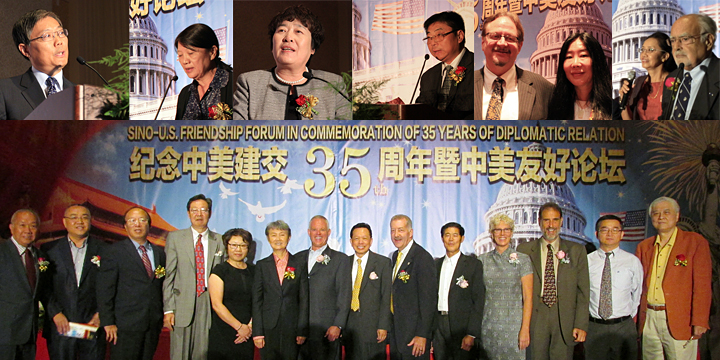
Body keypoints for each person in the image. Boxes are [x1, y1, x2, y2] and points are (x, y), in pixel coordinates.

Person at [233, 5, 350, 120]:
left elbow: (347, 135)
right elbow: (237, 134)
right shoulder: (250, 83)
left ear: (312, 48)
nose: (288, 37)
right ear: (272, 46)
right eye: (281, 30)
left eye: (298, 31)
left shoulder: (333, 84)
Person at [636, 197, 712, 359]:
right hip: (649, 317)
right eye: (656, 213)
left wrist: (699, 320)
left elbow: (702, 285)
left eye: (666, 212)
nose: (661, 217)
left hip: (680, 319)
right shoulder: (644, 246)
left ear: (677, 216)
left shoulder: (694, 242)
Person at [517, 202, 589, 360]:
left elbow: (583, 292)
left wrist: (581, 324)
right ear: (539, 222)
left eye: (555, 220)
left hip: (564, 316)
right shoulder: (524, 250)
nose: (551, 225)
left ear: (562, 221)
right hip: (536, 314)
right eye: (546, 220)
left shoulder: (576, 250)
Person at [97, 207, 166, 360]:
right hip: (125, 325)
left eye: (142, 220)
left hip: (152, 323)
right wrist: (108, 322)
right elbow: (104, 290)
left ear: (149, 225)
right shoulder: (114, 251)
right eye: (132, 220)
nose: (138, 224)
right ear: (125, 225)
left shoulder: (159, 253)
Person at [40, 204, 107, 360]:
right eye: (74, 217)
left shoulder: (105, 250)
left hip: (92, 324)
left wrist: (100, 314)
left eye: (84, 217)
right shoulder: (50, 249)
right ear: (64, 222)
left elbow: (110, 286)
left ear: (90, 221)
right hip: (61, 325)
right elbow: (43, 286)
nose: (80, 221)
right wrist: (55, 313)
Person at [163, 194, 224, 360]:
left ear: (210, 213)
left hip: (208, 301)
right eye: (194, 210)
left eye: (203, 210)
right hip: (181, 301)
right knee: (179, 353)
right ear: (188, 213)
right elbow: (169, 275)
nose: (199, 214)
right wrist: (169, 309)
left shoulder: (219, 240)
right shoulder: (175, 238)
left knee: (203, 351)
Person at [474, 10, 553, 120]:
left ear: (519, 46)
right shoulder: (462, 86)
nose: (502, 43)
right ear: (483, 42)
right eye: (495, 36)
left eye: (510, 38)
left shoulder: (544, 90)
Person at [585, 215, 643, 360]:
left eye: (615, 230)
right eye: (605, 230)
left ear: (622, 234)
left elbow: (637, 293)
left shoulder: (632, 261)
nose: (610, 234)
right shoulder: (587, 261)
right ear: (597, 234)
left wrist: (626, 317)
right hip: (594, 327)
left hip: (623, 327)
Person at [478, 214, 532, 360]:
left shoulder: (523, 260)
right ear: (492, 234)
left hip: (514, 328)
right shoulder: (481, 261)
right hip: (488, 326)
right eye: (498, 230)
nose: (502, 234)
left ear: (512, 232)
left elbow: (528, 298)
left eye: (506, 229)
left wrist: (525, 329)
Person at [0, 9, 73, 120]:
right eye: (47, 36)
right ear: (25, 50)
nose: (59, 41)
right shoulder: (5, 91)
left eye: (61, 33)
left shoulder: (82, 96)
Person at [252, 220, 309, 360]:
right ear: (268, 238)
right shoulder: (261, 266)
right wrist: (257, 332)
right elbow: (257, 301)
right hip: (268, 327)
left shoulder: (299, 264)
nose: (278, 239)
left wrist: (302, 330)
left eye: (282, 235)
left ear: (289, 238)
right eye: (274, 235)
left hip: (292, 327)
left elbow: (304, 299)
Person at [297, 216, 351, 360]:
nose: (318, 233)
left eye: (322, 230)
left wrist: (338, 325)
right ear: (308, 232)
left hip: (327, 331)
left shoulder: (340, 260)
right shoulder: (297, 258)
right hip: (300, 332)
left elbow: (344, 295)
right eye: (314, 229)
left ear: (329, 232)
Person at [388, 214, 437, 360]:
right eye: (393, 230)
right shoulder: (396, 256)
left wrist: (423, 334)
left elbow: (429, 300)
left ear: (411, 232)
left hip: (414, 337)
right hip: (398, 334)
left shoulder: (422, 258)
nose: (396, 235)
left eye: (401, 230)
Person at [433, 222, 485, 360]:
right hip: (438, 325)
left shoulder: (473, 265)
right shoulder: (435, 265)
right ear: (442, 238)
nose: (451, 239)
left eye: (455, 235)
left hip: (461, 328)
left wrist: (472, 333)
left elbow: (478, 301)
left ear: (462, 238)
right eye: (447, 235)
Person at [343, 223, 392, 360]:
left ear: (371, 240)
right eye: (356, 238)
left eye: (364, 238)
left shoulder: (383, 263)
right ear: (351, 241)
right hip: (349, 327)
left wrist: (383, 326)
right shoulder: (344, 263)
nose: (360, 242)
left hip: (373, 328)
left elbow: (386, 296)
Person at [0, 209, 44, 360]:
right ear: (11, 227)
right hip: (4, 334)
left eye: (33, 226)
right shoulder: (2, 252)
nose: (28, 230)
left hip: (29, 333)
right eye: (22, 225)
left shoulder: (39, 256)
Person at [414, 11, 473, 119]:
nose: (433, 43)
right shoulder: (428, 77)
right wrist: (402, 109)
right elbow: (421, 112)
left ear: (459, 36)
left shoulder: (477, 67)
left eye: (439, 35)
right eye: (429, 37)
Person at [207, 228, 255, 360]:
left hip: (248, 333)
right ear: (227, 247)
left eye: (243, 245)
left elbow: (259, 302)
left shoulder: (255, 271)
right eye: (234, 245)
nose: (238, 249)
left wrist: (249, 327)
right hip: (224, 331)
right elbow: (217, 304)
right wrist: (239, 327)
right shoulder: (220, 271)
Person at [660, 14, 719, 120]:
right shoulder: (672, 77)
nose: (677, 47)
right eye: (673, 40)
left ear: (708, 41)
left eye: (685, 39)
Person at [547, 32, 612, 120]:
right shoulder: (553, 108)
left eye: (583, 55)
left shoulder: (613, 107)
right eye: (569, 57)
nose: (575, 63)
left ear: (597, 60)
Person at [174, 24, 233, 120]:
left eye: (191, 53)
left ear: (212, 52)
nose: (185, 61)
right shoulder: (185, 94)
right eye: (180, 55)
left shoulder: (234, 85)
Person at [618, 32, 677, 120]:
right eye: (642, 50)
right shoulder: (639, 83)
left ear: (664, 56)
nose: (643, 55)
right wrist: (624, 101)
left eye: (650, 50)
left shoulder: (675, 82)